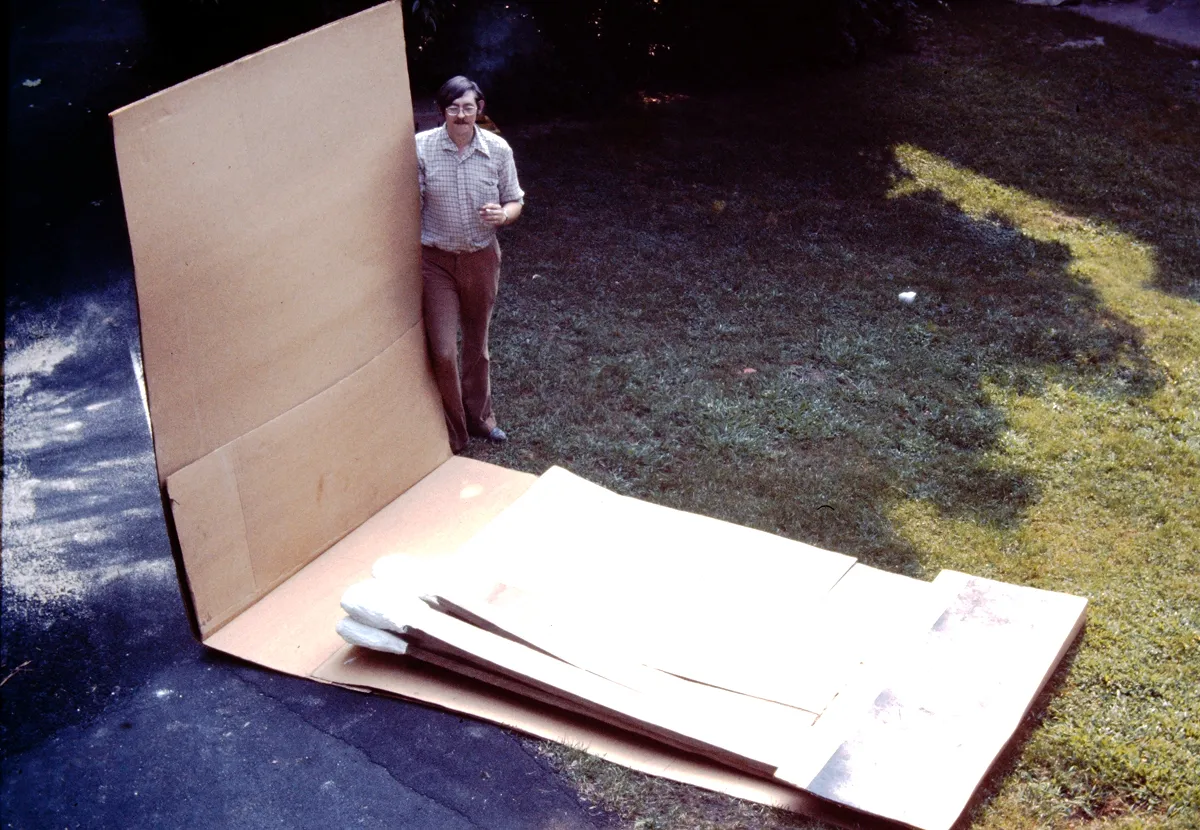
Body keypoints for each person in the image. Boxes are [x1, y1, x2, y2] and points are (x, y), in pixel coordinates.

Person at [416, 75, 524, 453]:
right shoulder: (421, 148)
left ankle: (481, 419)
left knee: (477, 345)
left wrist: (504, 215)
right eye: (453, 108)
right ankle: (455, 431)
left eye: (468, 107)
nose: (461, 115)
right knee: (444, 350)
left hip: (481, 258)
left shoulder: (498, 149)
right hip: (436, 263)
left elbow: (515, 200)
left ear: (480, 108)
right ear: (441, 110)